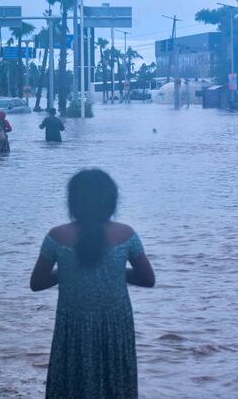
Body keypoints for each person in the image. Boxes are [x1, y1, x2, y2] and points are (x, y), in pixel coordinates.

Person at [30, 169, 155, 398]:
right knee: (115, 386)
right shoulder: (126, 234)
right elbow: (148, 279)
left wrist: (65, 272)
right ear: (111, 201)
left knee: (71, 385)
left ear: (73, 201)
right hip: (115, 326)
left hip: (73, 327)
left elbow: (37, 282)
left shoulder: (56, 236)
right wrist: (116, 271)